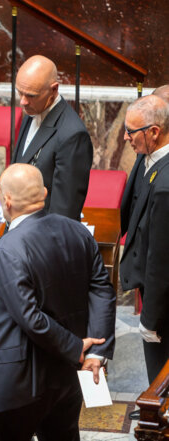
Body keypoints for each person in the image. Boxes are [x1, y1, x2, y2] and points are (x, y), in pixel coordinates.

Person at [0, 164, 116, 441]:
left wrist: (77, 347)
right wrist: (94, 353)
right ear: (43, 192)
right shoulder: (78, 231)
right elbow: (103, 289)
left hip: (20, 383)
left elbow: (29, 316)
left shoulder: (8, 248)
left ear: (6, 201)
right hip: (68, 379)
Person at [119, 94, 169, 386]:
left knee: (159, 378)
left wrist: (150, 319)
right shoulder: (148, 155)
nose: (125, 137)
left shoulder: (165, 187)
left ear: (154, 132)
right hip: (148, 287)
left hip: (161, 305)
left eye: (131, 132)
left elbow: (161, 258)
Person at [11, 55, 92, 221]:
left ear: (54, 90)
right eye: (20, 93)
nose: (23, 102)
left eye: (31, 95)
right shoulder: (32, 109)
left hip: (42, 239)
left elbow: (64, 211)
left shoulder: (73, 135)